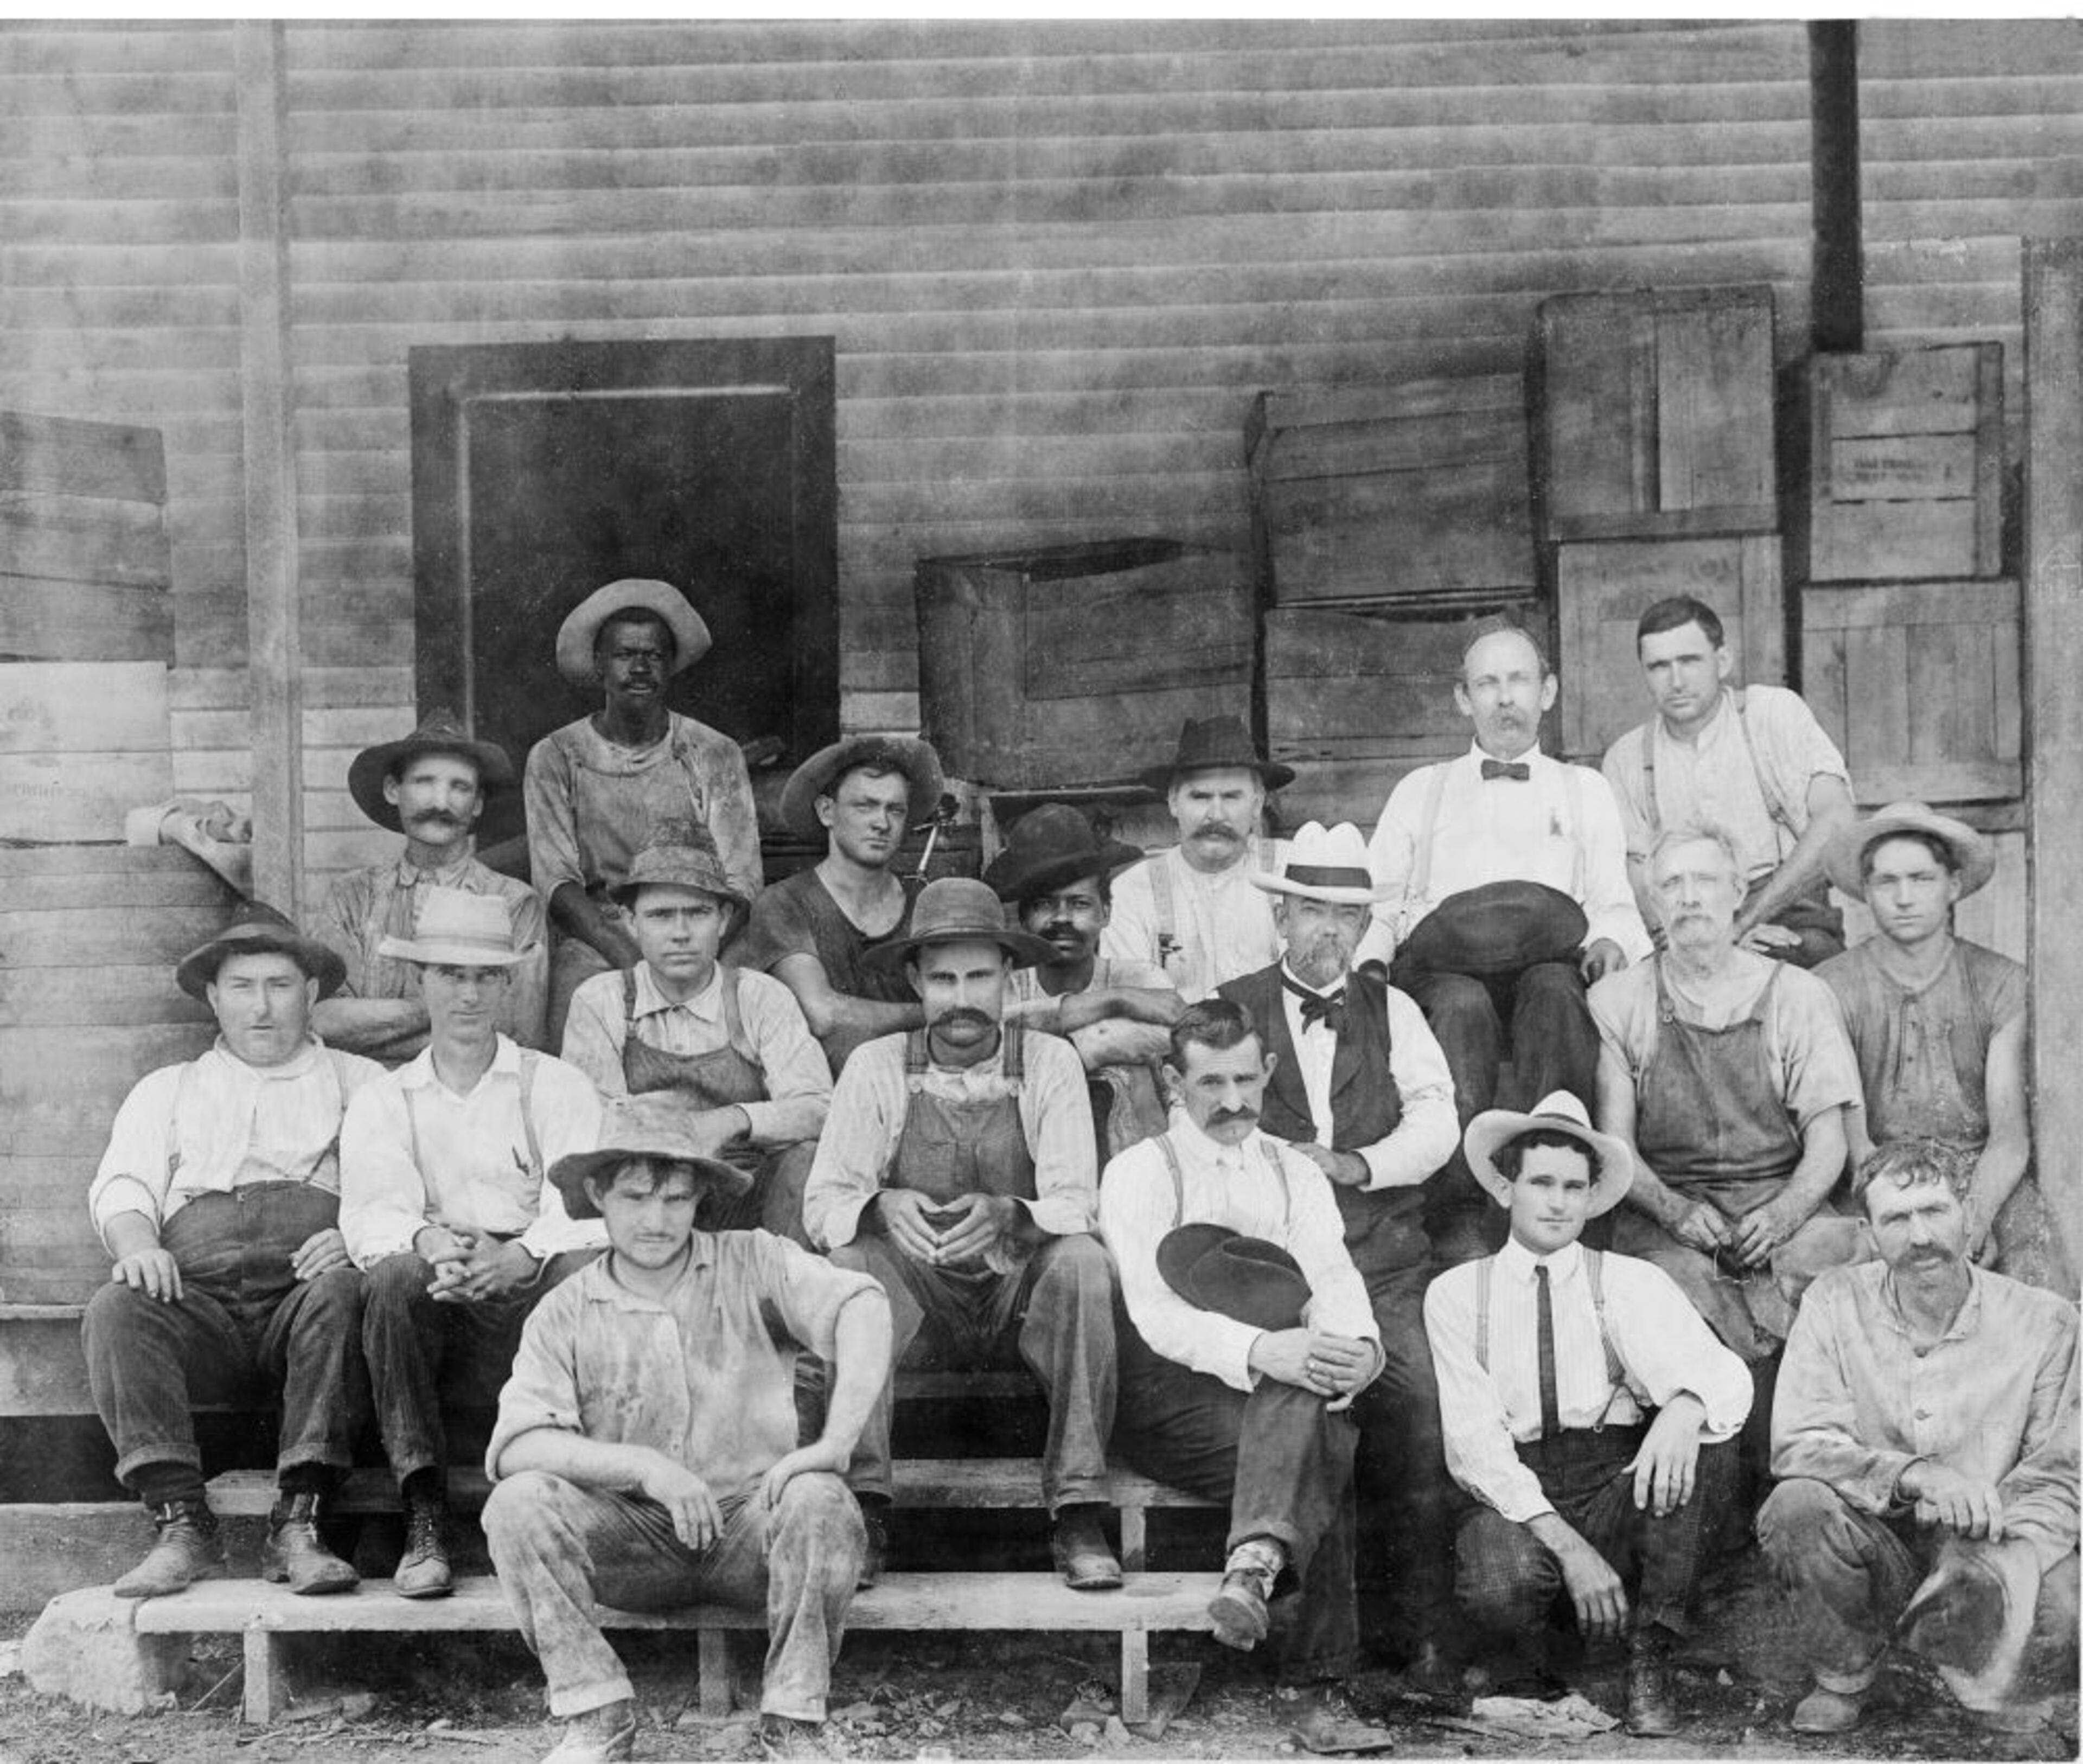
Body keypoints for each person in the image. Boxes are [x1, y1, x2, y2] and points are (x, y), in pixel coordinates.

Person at [483, 1097, 893, 1764]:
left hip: (750, 1533)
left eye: (676, 1198)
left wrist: (836, 1441)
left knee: (821, 1498)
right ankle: (596, 1713)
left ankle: (793, 1722)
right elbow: (520, 1444)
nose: (656, 1219)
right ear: (598, 1195)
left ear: (701, 1196)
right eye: (636, 1196)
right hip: (630, 1542)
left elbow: (864, 1306)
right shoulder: (566, 1308)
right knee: (517, 1504)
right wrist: (646, 1469)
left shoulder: (753, 1258)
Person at [800, 877, 1121, 1592]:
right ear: (915, 981)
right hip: (919, 1310)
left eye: (980, 975)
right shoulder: (877, 1066)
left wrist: (1014, 1212)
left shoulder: (1050, 1063)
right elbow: (822, 1205)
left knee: (1083, 1264)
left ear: (1010, 976)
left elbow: (1080, 1201)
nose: (962, 997)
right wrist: (881, 1205)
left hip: (1017, 1300)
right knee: (853, 1263)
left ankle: (1078, 1509)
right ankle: (865, 1506)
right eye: (943, 979)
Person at [1101, 999, 1395, 1755]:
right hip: (1172, 1394)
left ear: (1268, 1072)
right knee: (1319, 1433)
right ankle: (1315, 1680)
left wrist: (1358, 1347)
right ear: (1174, 1082)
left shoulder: (1295, 1170)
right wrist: (1267, 1352)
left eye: (1244, 1080)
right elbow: (1155, 1316)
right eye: (1209, 1084)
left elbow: (1332, 1274)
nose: (1231, 1102)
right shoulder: (1140, 1173)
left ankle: (1253, 1571)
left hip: (1281, 1389)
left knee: (1326, 1410)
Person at [1213, 821, 1461, 1687]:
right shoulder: (1231, 1003)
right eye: (1313, 910)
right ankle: (1307, 1651)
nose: (1329, 932)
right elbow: (1202, 1130)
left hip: (1382, 1256)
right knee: (1315, 1403)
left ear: (1364, 930)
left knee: (1424, 1402)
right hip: (1274, 1270)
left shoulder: (1391, 1010)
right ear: (1280, 916)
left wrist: (1360, 1164)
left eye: (1347, 917)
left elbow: (1438, 1119)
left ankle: (1422, 1634)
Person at [1424, 1092, 1753, 1736]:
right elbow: (1475, 1452)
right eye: (1541, 1182)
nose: (1557, 1202)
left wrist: (1683, 1409)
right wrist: (1574, 1554)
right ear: (1505, 1188)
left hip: (1611, 1481)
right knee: (1503, 1582)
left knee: (1707, 1436)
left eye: (1574, 1187)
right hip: (1514, 1492)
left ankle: (1649, 1653)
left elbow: (1727, 1378)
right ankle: (1530, 1661)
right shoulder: (1459, 1294)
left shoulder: (1628, 1281)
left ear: (1591, 1197)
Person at [83, 902, 382, 1597]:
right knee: (116, 1308)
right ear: (214, 998)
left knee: (343, 1293)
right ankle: (181, 1524)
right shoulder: (170, 1089)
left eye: (280, 985)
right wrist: (138, 1245)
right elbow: (123, 1183)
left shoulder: (360, 1083)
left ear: (310, 995)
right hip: (199, 1299)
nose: (263, 1007)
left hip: (306, 1291)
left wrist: (356, 1234)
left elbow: (399, 1188)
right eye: (243, 987)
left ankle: (300, 1524)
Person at [1759, 1139, 2078, 1740]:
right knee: (1796, 1506)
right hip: (1878, 1538)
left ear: (1970, 1214)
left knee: (2069, 1600)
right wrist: (1918, 1475)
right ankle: (1845, 1676)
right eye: (1898, 1220)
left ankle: (1985, 1681)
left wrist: (1994, 1556)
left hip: (1991, 1542)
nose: (1921, 1236)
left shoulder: (2047, 1320)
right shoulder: (1832, 1302)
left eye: (1936, 1212)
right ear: (1869, 1232)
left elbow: (2059, 1470)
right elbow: (1798, 1442)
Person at [341, 887, 606, 1600]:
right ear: (420, 980)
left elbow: (589, 1204)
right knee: (392, 1278)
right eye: (449, 975)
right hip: (441, 1295)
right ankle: (425, 1515)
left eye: (485, 976)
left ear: (508, 983)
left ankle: (593, 1511)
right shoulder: (384, 1098)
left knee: (586, 1269)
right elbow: (370, 1214)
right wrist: (432, 1243)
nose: (467, 994)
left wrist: (520, 1256)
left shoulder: (554, 1085)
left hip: (528, 1291)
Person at [1358, 622, 1651, 1264]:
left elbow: (1613, 903)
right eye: (1487, 684)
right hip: (1441, 968)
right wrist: (1372, 965)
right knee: (1461, 1006)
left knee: (1554, 992)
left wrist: (1607, 943)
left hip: (1549, 962)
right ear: (1464, 699)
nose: (1504, 698)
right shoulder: (1422, 790)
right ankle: (1461, 1206)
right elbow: (1380, 902)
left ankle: (1550, 1178)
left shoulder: (1585, 791)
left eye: (1519, 680)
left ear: (1548, 692)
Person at [1590, 824, 1864, 1387]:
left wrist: (1786, 1214)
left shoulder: (1799, 994)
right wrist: (1673, 1211)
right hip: (1669, 1215)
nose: (1689, 897)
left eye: (1706, 880)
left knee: (1843, 1281)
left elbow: (1828, 1139)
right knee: (1664, 1303)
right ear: (1653, 901)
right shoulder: (1618, 1001)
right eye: (1671, 884)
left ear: (1738, 892)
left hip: (1782, 1201)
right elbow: (1617, 1149)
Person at [1817, 802, 2055, 1289]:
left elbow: (2009, 1136)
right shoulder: (1830, 987)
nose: (1904, 897)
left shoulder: (2001, 982)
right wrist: (1907, 1214)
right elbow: (1854, 1140)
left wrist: (1975, 1215)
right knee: (1838, 1275)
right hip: (1872, 1179)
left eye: (1922, 879)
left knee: (2042, 1273)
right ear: (1866, 892)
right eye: (1887, 882)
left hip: (1978, 1175)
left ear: (1954, 886)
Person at [560, 818, 830, 1244]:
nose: (681, 934)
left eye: (698, 913)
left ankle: (778, 1299)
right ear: (631, 922)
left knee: (806, 1162)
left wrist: (731, 1120)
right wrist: (679, 1135)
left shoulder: (760, 997)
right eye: (661, 915)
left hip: (746, 1201)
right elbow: (597, 1123)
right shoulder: (603, 1001)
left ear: (723, 919)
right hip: (650, 1200)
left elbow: (818, 1107)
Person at [524, 578, 761, 1043]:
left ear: (671, 665)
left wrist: (693, 951)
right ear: (598, 663)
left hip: (699, 929)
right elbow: (557, 883)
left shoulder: (714, 752)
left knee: (744, 1021)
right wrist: (637, 964)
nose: (639, 668)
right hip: (602, 934)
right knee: (582, 1018)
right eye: (623, 654)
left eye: (653, 655)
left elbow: (742, 880)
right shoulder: (556, 756)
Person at [1602, 595, 1856, 969]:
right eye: (1658, 666)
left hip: (1786, 911)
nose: (1676, 681)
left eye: (1689, 661)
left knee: (1810, 973)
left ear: (1722, 661)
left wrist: (1743, 923)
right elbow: (1638, 877)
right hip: (1681, 924)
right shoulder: (1626, 758)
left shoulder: (1771, 715)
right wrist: (1702, 941)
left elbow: (1836, 821)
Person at [311, 709, 548, 1062]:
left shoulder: (512, 901)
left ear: (478, 803)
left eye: (460, 787)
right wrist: (452, 1009)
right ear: (394, 790)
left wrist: (376, 1024)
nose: (441, 802)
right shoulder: (351, 897)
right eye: (424, 782)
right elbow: (323, 1022)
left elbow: (517, 1033)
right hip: (368, 1099)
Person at [733, 735, 945, 1072]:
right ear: (827, 811)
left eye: (895, 810)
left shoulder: (926, 902)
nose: (882, 823)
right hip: (826, 1099)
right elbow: (824, 1016)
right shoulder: (785, 903)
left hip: (921, 1083)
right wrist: (941, 1013)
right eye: (865, 806)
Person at [983, 801, 1180, 1161]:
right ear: (1025, 918)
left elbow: (1177, 1037)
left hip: (1137, 1171)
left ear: (1106, 912)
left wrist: (1083, 1045)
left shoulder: (1141, 977)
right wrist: (1114, 1004)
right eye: (1045, 904)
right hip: (1036, 1170)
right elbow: (992, 1040)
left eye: (1079, 904)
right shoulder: (1005, 989)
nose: (1062, 919)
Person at [1101, 714, 1293, 1002]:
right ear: (1173, 802)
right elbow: (1131, 1006)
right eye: (1200, 797)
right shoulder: (1132, 892)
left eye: (1231, 797)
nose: (1216, 814)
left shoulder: (1290, 869)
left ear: (1257, 804)